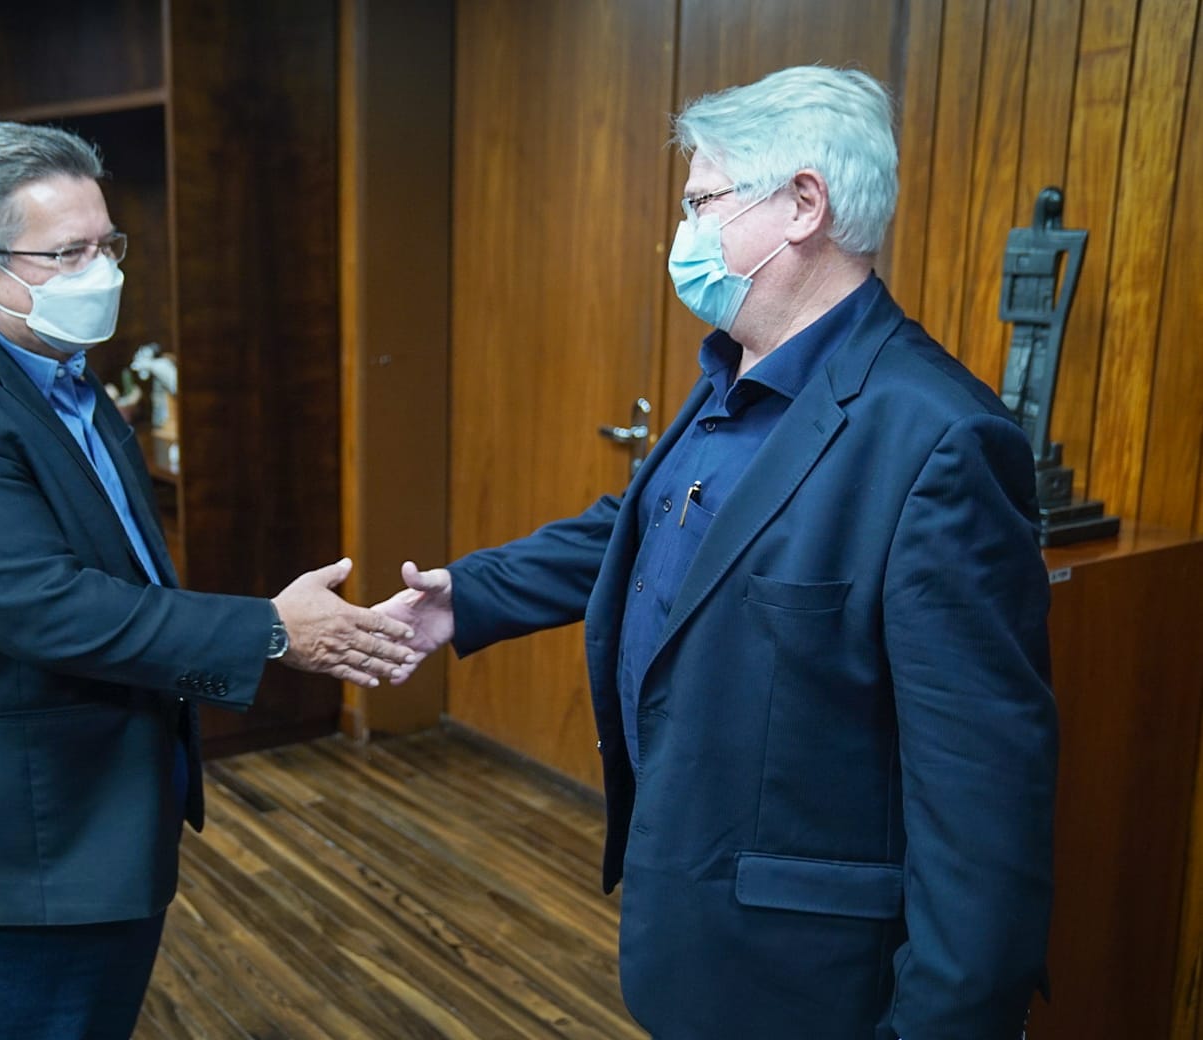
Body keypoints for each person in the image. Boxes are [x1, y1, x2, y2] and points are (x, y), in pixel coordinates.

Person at [377, 66, 1057, 1039]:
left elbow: (983, 800)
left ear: (801, 205)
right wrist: (467, 594)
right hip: (692, 928)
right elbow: (649, 520)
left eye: (700, 201)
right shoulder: (733, 375)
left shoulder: (938, 437)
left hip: (809, 978)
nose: (681, 231)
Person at [0, 121, 418, 1039]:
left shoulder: (53, 369)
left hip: (79, 830)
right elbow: (50, 609)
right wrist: (274, 629)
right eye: (68, 253)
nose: (103, 273)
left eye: (107, 245)